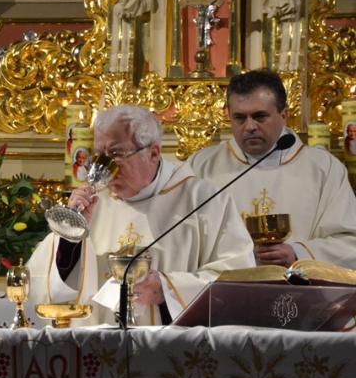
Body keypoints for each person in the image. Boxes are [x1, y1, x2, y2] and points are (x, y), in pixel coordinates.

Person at [27, 105, 255, 326]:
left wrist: (169, 289)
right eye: (99, 155)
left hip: (174, 345)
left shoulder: (205, 201)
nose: (105, 167)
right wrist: (71, 236)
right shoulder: (92, 203)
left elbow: (237, 279)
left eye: (115, 154)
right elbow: (42, 284)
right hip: (99, 345)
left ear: (153, 153)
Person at [190, 69, 356, 268]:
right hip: (225, 285)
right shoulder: (201, 167)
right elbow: (180, 238)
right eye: (239, 118)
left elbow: (350, 242)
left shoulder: (323, 168)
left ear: (284, 115)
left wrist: (298, 253)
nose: (249, 127)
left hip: (301, 285)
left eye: (260, 117)